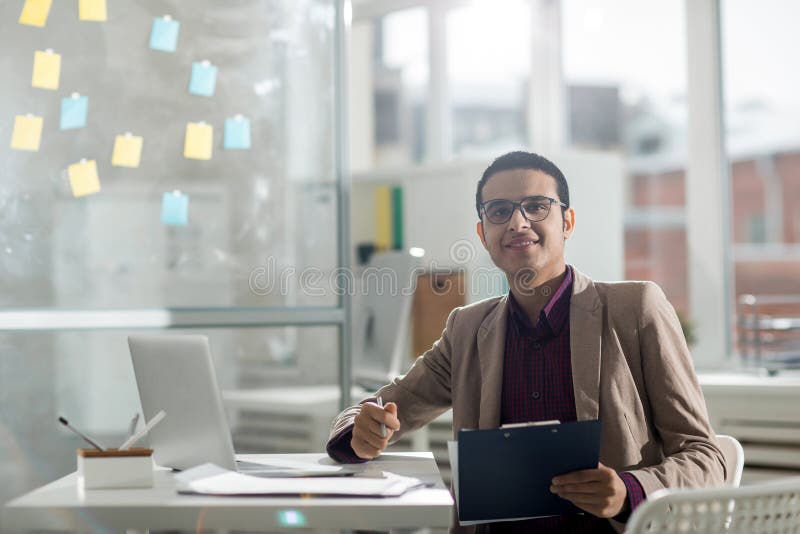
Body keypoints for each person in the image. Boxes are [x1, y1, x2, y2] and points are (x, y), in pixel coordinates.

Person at [326, 151, 725, 533]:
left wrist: (630, 490)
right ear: (483, 234)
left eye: (536, 206)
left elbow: (706, 458)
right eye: (499, 211)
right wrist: (360, 432)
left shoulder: (636, 309)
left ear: (567, 222)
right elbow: (378, 408)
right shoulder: (466, 328)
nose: (517, 222)